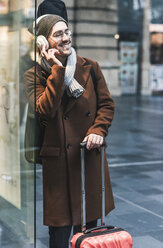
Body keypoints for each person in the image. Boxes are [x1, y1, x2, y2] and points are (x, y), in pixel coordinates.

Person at [24, 14, 115, 248]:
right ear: (43, 42)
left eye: (67, 32)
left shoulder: (90, 67)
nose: (65, 38)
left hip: (87, 156)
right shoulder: (35, 75)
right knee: (60, 233)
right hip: (60, 163)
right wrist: (57, 69)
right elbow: (45, 110)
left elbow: (106, 105)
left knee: (89, 232)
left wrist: (98, 130)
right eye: (58, 34)